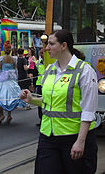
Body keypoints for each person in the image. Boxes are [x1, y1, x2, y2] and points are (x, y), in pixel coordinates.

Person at [20, 30, 98, 173]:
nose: (46, 48)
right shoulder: (49, 70)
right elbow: (51, 101)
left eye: (51, 44)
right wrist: (32, 100)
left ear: (63, 46)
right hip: (48, 137)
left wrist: (80, 142)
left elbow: (88, 110)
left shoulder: (85, 71)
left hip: (73, 138)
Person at [0, 44, 27, 124]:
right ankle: (9, 115)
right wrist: (15, 79)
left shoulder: (2, 58)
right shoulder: (13, 59)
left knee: (0, 96)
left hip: (2, 80)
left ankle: (1, 114)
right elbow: (16, 70)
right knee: (10, 97)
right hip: (11, 79)